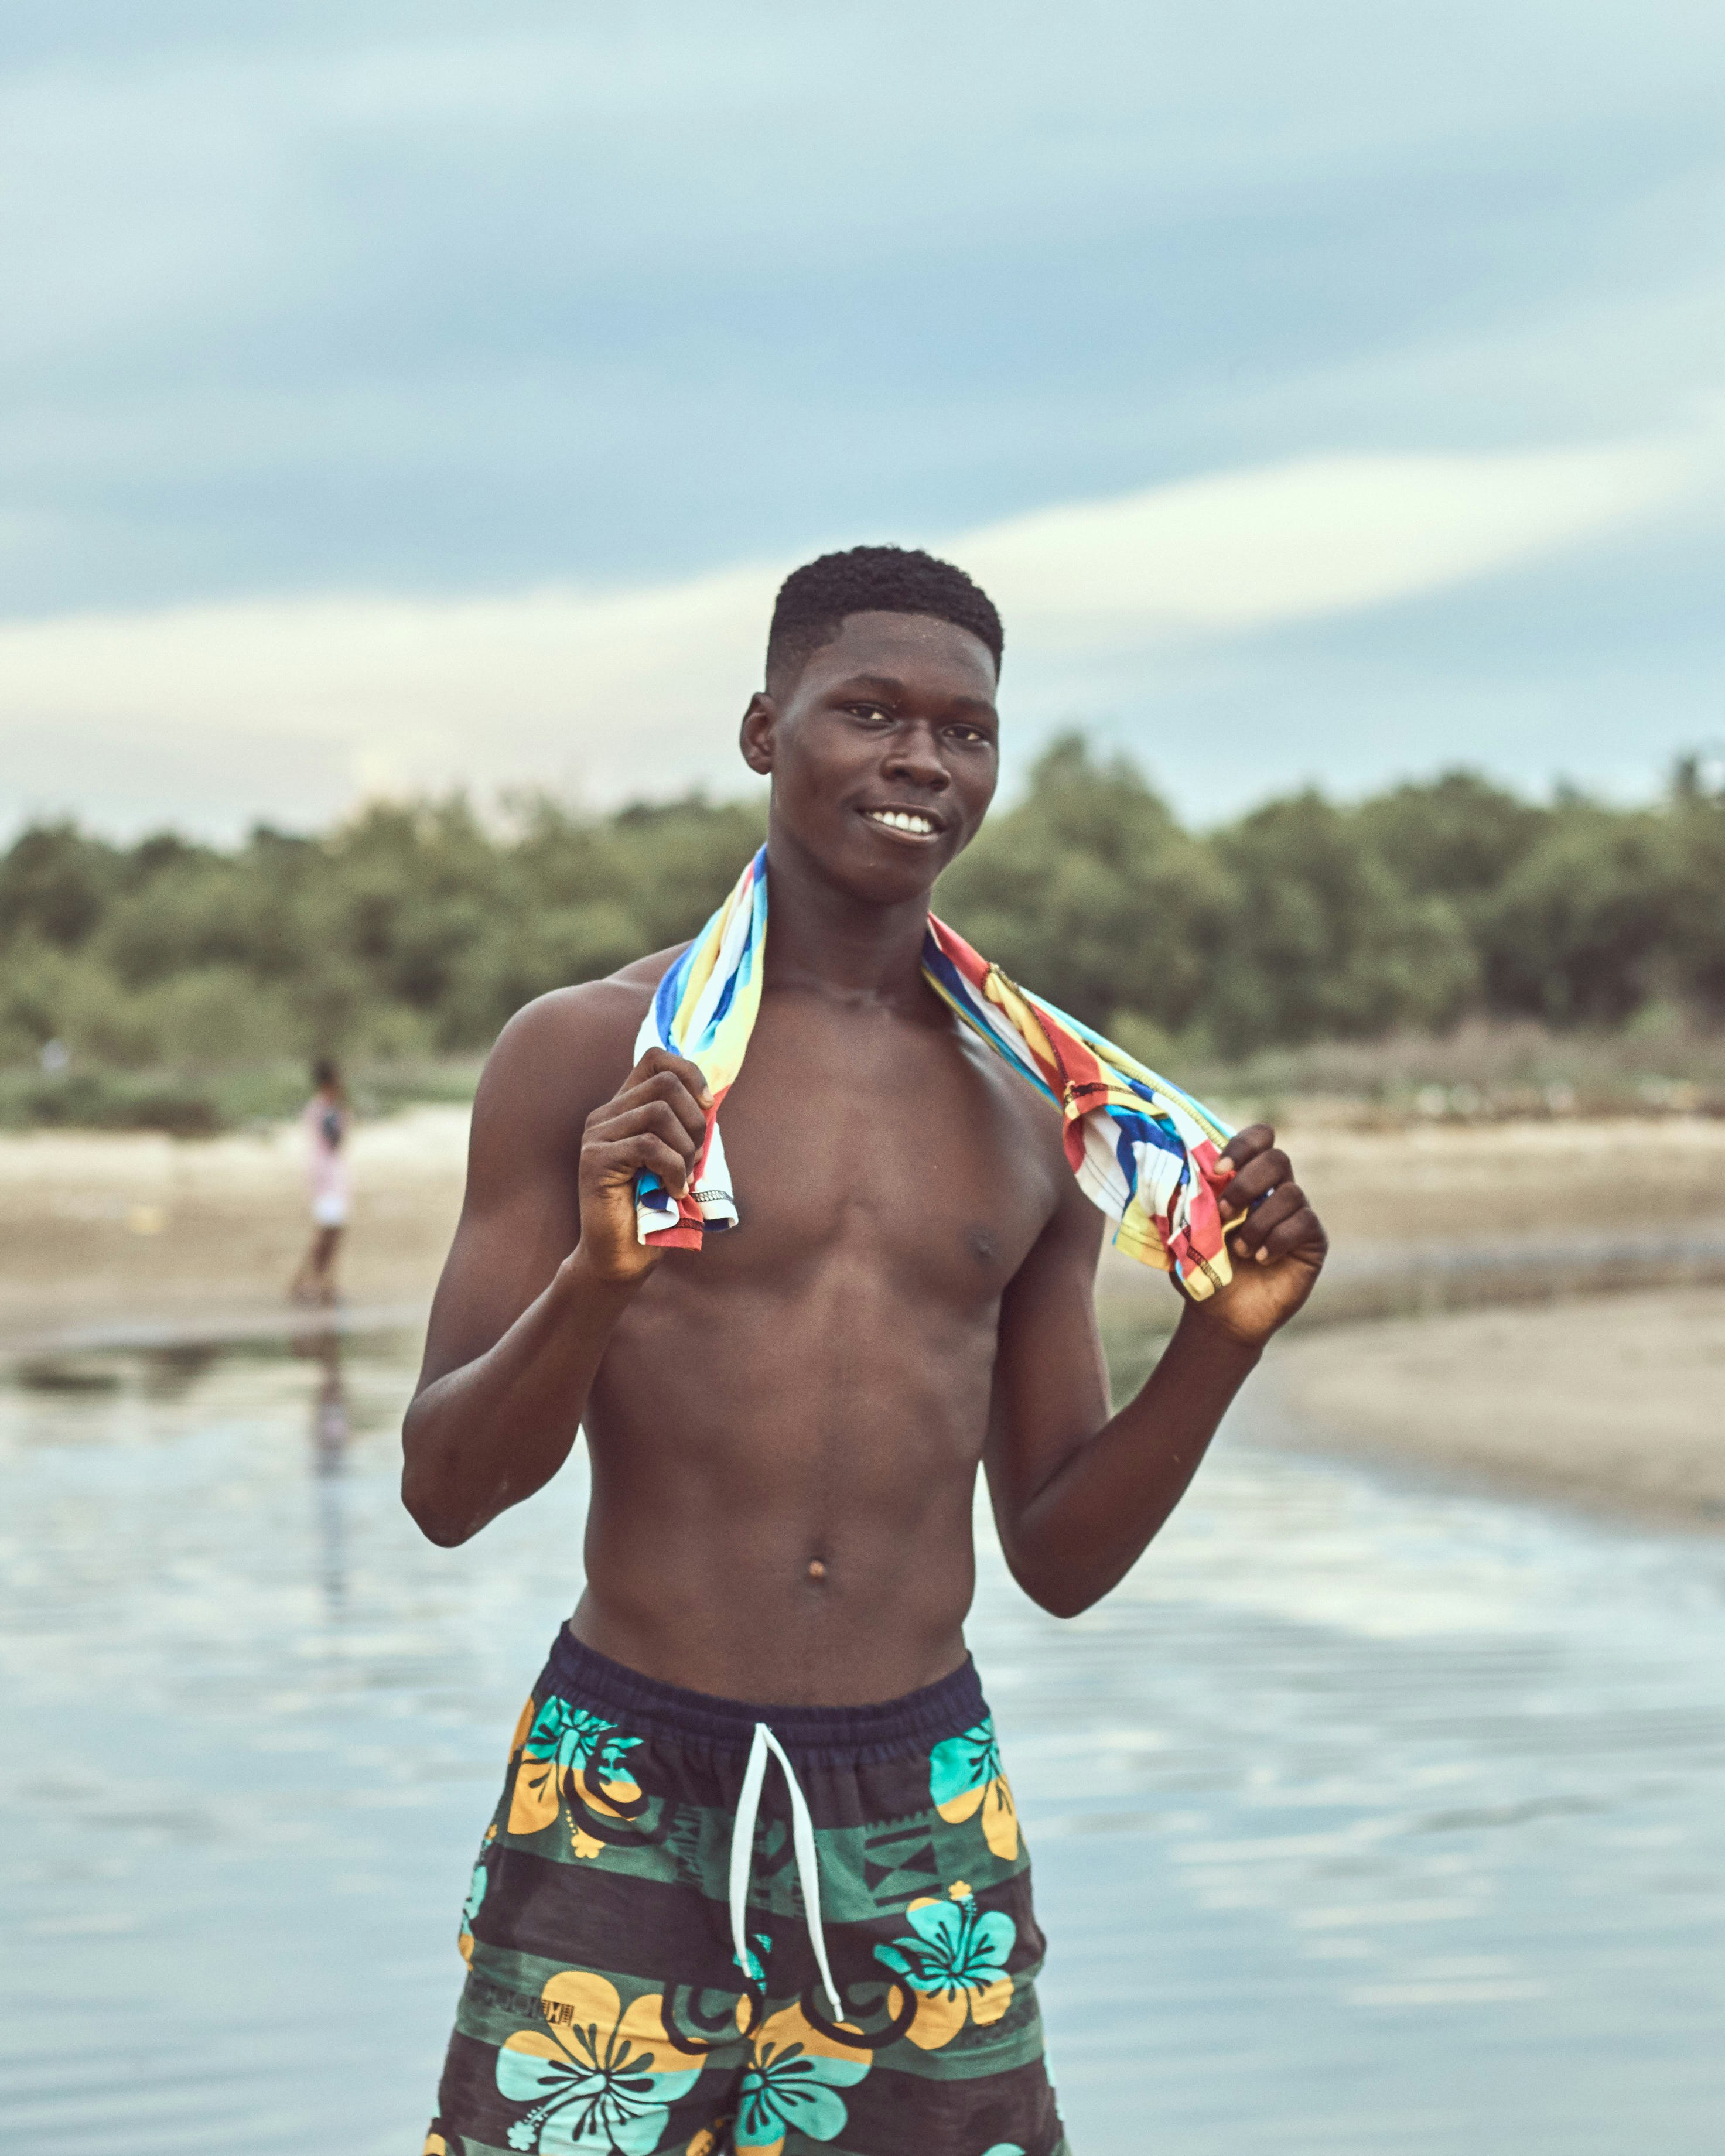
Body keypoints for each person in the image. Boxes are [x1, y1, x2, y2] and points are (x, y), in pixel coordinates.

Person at [405, 546, 1328, 2156]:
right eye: (870, 712)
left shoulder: (1039, 1113)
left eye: (964, 731)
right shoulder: (590, 1058)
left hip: (920, 1802)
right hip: (625, 1779)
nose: (920, 759)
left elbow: (1058, 1556)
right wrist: (601, 1275)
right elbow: (444, 1487)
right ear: (765, 729)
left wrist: (1222, 1339)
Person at [289, 1057, 349, 1307]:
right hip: (327, 1176)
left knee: (332, 1232)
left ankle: (322, 1283)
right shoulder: (325, 1109)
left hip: (329, 1174)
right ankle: (310, 1283)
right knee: (327, 1232)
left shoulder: (324, 1108)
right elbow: (335, 1139)